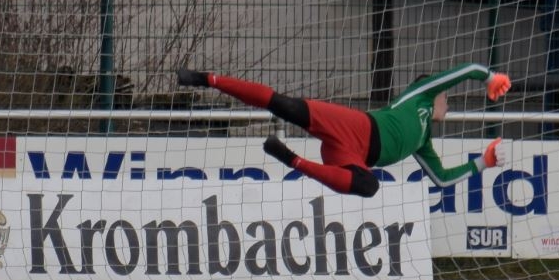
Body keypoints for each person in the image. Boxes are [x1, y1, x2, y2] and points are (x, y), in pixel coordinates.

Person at [178, 64, 512, 197]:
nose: (448, 103)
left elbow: (441, 179)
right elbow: (464, 71)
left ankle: (293, 161)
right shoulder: (420, 95)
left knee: (369, 186)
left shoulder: (422, 140)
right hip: (356, 126)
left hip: (352, 155)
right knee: (286, 106)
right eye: (447, 97)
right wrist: (489, 77)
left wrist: (483, 162)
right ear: (432, 89)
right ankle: (206, 79)